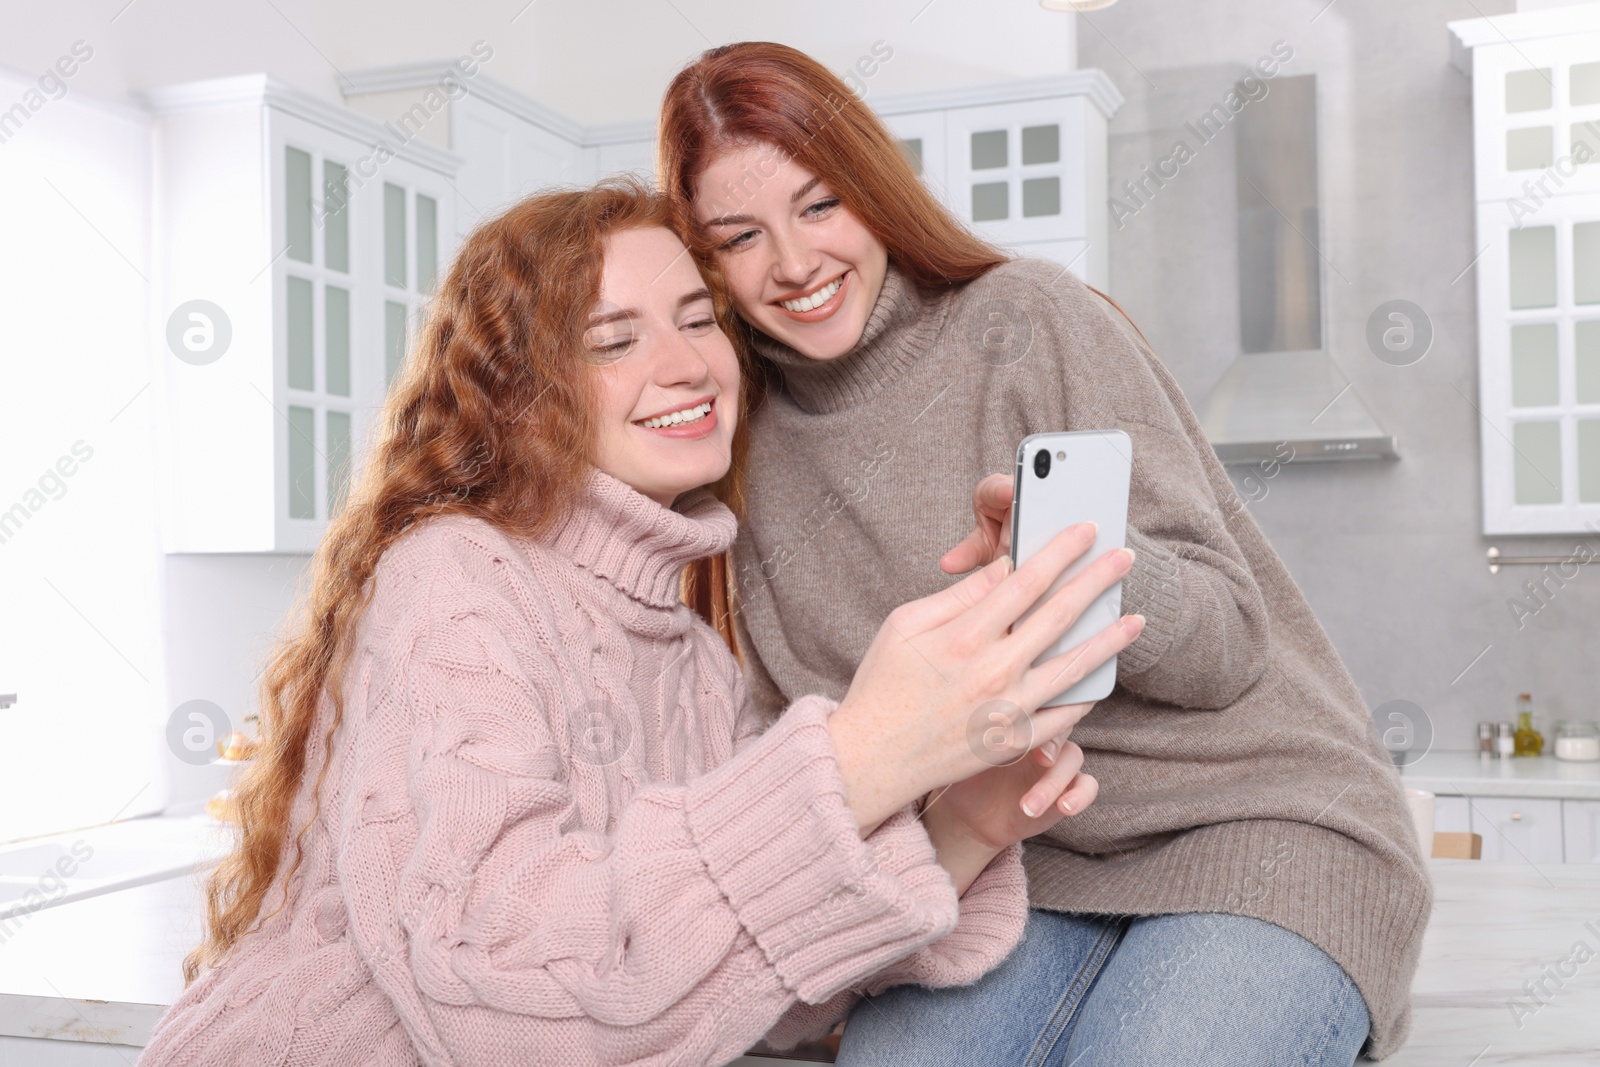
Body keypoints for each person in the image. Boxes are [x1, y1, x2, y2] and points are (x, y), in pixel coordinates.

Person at [137, 179, 1142, 1067]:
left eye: (698, 320)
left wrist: (962, 821)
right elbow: (492, 992)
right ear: (524, 403)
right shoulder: (455, 574)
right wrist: (860, 755)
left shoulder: (697, 663)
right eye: (614, 339)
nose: (686, 363)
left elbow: (748, 985)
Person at [657, 42, 1432, 1066]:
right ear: (704, 263)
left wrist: (1075, 559)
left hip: (1253, 821)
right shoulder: (735, 447)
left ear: (874, 190)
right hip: (1013, 871)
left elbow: (1228, 646)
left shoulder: (1027, 317)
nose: (793, 264)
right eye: (740, 236)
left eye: (818, 206)